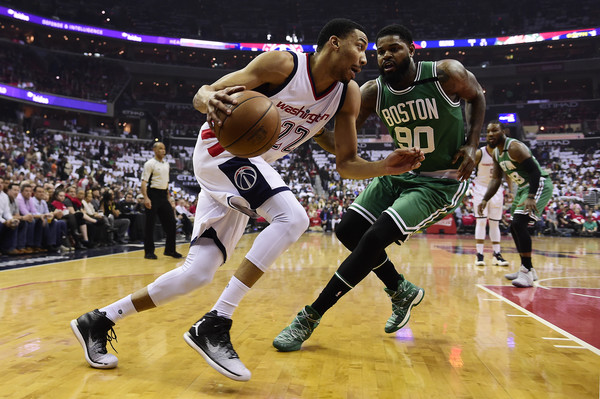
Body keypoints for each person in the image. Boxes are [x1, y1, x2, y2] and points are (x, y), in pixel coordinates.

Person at [70, 18, 423, 381]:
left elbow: (346, 163)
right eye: (360, 46)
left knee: (197, 272)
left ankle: (97, 321)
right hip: (219, 149)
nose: (365, 58)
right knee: (293, 218)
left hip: (246, 168)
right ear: (334, 43)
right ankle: (216, 322)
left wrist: (386, 166)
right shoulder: (283, 65)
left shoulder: (347, 94)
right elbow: (204, 93)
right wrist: (209, 98)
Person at [272, 23, 485, 352]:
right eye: (380, 51)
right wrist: (310, 123)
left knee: (373, 238)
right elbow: (338, 142)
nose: (385, 55)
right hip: (399, 173)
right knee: (347, 231)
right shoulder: (372, 91)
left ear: (411, 50)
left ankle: (309, 317)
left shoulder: (446, 73)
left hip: (439, 181)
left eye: (393, 49)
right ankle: (401, 289)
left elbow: (477, 96)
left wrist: (472, 144)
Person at [477, 120, 553, 288]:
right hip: (523, 188)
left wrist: (531, 196)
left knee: (519, 224)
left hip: (538, 184)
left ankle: (525, 271)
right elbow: (496, 179)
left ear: (505, 131)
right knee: (514, 227)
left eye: (495, 130)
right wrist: (485, 199)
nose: (490, 134)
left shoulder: (514, 147)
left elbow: (534, 171)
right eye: (488, 131)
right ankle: (528, 269)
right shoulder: (496, 153)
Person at [471, 122, 510, 266]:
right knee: (481, 222)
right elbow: (467, 168)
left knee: (495, 224)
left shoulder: (503, 153)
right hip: (480, 189)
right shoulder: (480, 152)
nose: (490, 135)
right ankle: (479, 255)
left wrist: (510, 191)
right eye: (488, 132)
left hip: (497, 190)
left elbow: (507, 174)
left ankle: (497, 254)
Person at [140, 142, 181, 259]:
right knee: (150, 225)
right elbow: (144, 182)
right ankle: (149, 252)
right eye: (160, 148)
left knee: (171, 223)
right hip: (152, 194)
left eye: (164, 148)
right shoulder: (149, 164)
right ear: (154, 150)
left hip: (163, 195)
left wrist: (169, 198)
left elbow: (166, 183)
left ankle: (170, 250)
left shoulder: (166, 164)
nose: (163, 150)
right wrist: (146, 198)